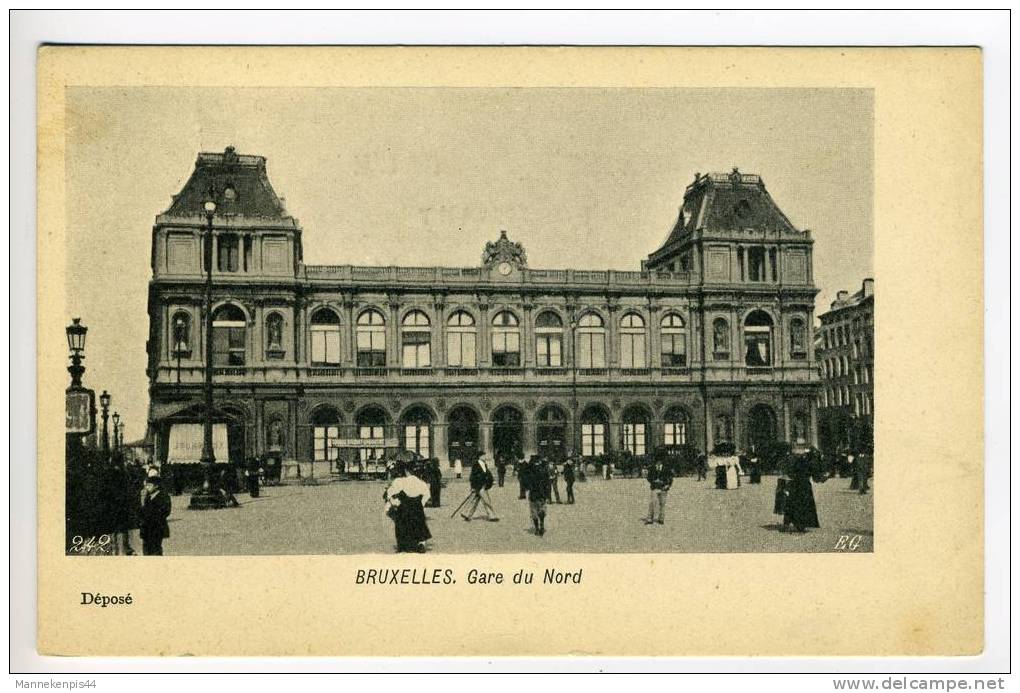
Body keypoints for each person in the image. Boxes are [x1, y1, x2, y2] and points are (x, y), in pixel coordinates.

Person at [383, 462, 432, 553]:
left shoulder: (401, 482)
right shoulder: (421, 483)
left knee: (401, 524)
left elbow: (390, 493)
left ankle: (403, 545)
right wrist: (421, 503)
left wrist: (394, 502)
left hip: (405, 508)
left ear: (406, 471)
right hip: (417, 508)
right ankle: (420, 543)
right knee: (420, 525)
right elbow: (427, 495)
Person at [781, 446, 822, 532]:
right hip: (804, 484)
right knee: (804, 503)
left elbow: (788, 471)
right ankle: (801, 524)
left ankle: (788, 522)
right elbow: (816, 476)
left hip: (794, 483)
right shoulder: (809, 461)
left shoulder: (793, 459)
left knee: (792, 502)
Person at [138, 469, 172, 556]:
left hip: (157, 527)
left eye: (149, 485)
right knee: (146, 549)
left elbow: (166, 511)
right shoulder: (146, 497)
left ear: (156, 486)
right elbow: (140, 512)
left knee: (156, 549)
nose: (147, 488)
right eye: (146, 486)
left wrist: (153, 514)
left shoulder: (163, 496)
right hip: (146, 528)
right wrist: (142, 502)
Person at [462, 455, 499, 522]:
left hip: (483, 485)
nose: (485, 457)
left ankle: (466, 514)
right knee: (486, 500)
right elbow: (472, 477)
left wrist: (491, 481)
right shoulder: (476, 465)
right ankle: (492, 516)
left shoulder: (484, 464)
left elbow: (487, 474)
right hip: (479, 486)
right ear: (480, 457)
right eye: (484, 456)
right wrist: (473, 486)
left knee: (475, 500)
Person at [523, 455, 550, 536]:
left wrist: (527, 488)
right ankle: (541, 525)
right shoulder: (544, 469)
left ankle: (537, 528)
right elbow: (547, 483)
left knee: (534, 511)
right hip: (542, 493)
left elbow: (525, 481)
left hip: (533, 494)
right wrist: (548, 495)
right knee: (541, 510)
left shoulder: (529, 470)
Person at [643, 457, 673, 525]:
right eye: (657, 462)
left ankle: (661, 518)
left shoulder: (666, 468)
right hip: (654, 487)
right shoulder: (652, 468)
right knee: (652, 503)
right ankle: (650, 518)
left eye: (660, 461)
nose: (658, 463)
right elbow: (648, 477)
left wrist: (668, 485)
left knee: (662, 504)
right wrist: (653, 481)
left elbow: (671, 477)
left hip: (663, 488)